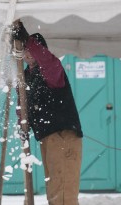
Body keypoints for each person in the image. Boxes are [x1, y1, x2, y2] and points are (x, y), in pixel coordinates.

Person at [12, 22, 83, 205]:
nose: (27, 54)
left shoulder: (51, 70)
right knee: (54, 191)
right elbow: (23, 102)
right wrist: (22, 124)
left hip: (63, 136)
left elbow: (46, 59)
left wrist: (28, 40)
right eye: (24, 50)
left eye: (30, 49)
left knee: (64, 193)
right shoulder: (27, 76)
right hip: (47, 138)